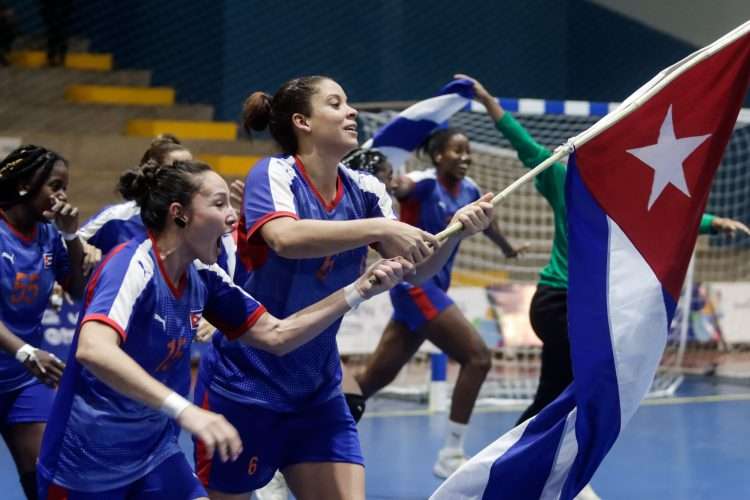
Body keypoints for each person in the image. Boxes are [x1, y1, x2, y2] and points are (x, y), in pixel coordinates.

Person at [36, 159, 411, 499]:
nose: (233, 217)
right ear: (179, 215)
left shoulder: (204, 276)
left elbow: (276, 335)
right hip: (86, 463)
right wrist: (186, 411)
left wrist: (358, 290)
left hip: (155, 453)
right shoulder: (132, 264)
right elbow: (93, 349)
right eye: (219, 205)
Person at [196, 75, 495, 500]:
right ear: (302, 121)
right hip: (247, 386)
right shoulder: (275, 174)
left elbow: (416, 271)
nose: (351, 111)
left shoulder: (367, 189)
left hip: (318, 392)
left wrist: (455, 233)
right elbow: (286, 238)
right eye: (335, 104)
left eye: (348, 102)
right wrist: (378, 227)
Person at [486, 76, 750, 500]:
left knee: (554, 394)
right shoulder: (563, 178)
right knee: (579, 387)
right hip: (555, 302)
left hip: (583, 308)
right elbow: (525, 147)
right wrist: (489, 104)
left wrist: (712, 223)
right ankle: (548, 471)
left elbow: (662, 217)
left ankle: (513, 467)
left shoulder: (621, 195)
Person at [348, 79, 522, 478]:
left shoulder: (471, 188)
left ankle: (304, 443)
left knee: (374, 378)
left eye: (468, 152)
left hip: (430, 289)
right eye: (457, 150)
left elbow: (484, 221)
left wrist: (506, 247)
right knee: (477, 357)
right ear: (438, 155)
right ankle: (451, 454)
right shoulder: (424, 183)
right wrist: (390, 180)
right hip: (415, 286)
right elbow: (402, 185)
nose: (465, 157)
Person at [0, 145, 85, 500]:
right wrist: (24, 352)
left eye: (65, 186)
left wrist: (70, 236)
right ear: (24, 185)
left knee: (47, 480)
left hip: (23, 380)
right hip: (24, 358)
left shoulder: (48, 234)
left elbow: (78, 289)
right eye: (55, 185)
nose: (62, 195)